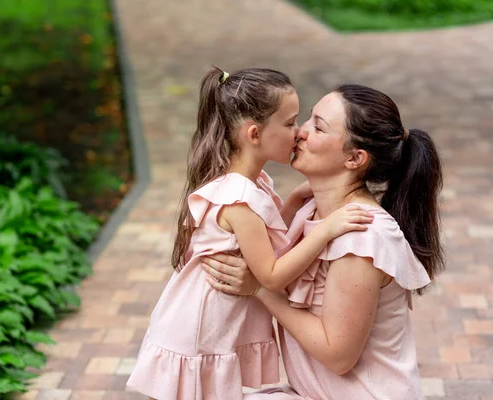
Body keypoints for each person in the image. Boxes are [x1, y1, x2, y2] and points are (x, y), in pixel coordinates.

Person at [126, 69, 373, 400]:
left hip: (209, 326)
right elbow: (270, 275)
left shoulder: (250, 185)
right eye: (289, 123)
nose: (298, 132)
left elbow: (266, 235)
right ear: (254, 133)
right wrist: (327, 229)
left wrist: (294, 201)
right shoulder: (239, 200)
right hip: (199, 333)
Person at [203, 84, 445, 400]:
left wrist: (260, 289)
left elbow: (338, 355)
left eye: (318, 127)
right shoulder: (314, 212)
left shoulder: (363, 237)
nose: (300, 132)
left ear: (355, 158)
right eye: (307, 120)